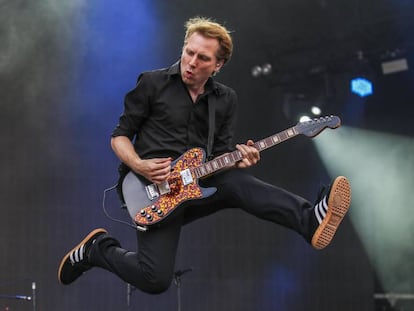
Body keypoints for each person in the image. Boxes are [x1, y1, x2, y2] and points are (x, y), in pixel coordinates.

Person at [58, 16, 351, 294]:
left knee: (235, 180)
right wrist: (140, 164)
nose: (191, 63)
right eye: (189, 52)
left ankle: (309, 219)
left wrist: (242, 157)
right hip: (150, 192)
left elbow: (218, 155)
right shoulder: (152, 83)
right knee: (155, 279)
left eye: (203, 58)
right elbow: (119, 136)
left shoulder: (225, 99)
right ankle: (97, 249)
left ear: (218, 65)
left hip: (194, 186)